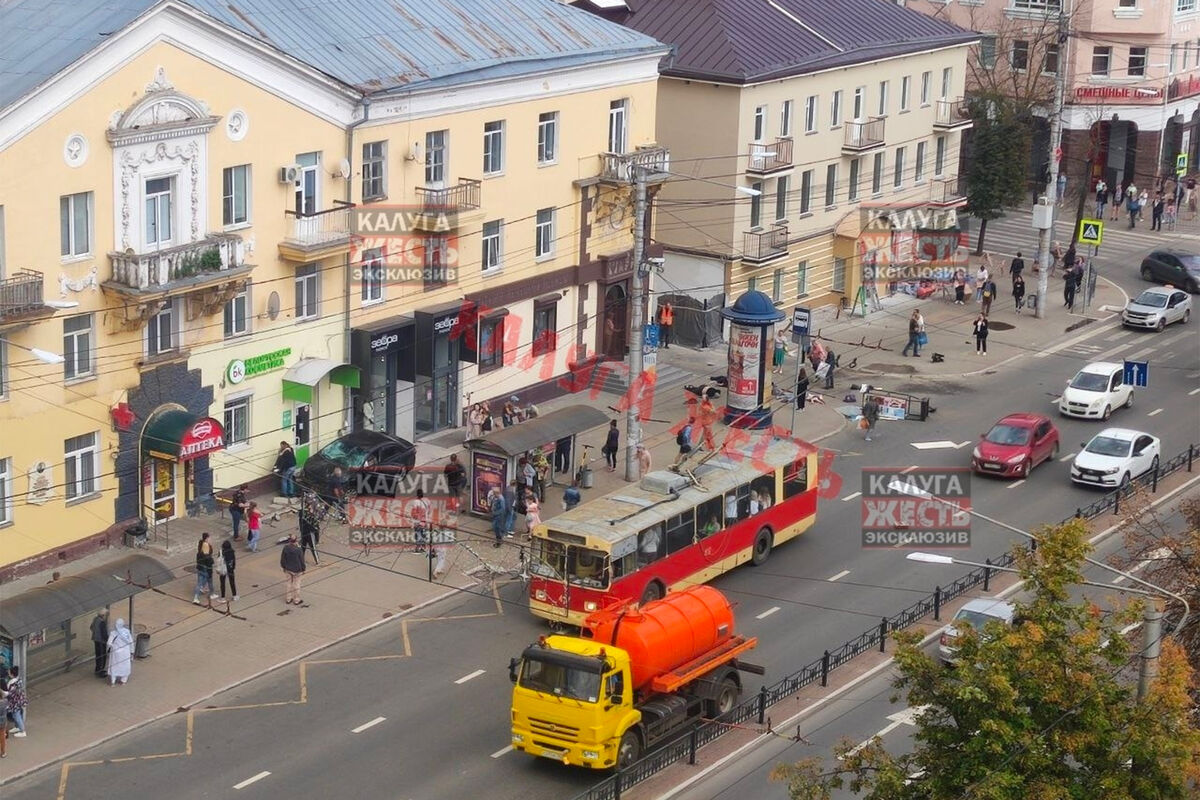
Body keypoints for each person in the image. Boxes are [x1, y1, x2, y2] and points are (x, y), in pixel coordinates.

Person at [106, 619, 134, 687]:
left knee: (114, 666)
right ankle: (123, 681)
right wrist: (132, 651)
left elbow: (109, 643)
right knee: (125, 665)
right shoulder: (127, 632)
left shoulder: (113, 633)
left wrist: (114, 647)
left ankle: (113, 682)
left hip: (116, 653)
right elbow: (131, 642)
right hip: (125, 652)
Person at [280, 535, 306, 606]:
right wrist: (303, 569)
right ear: (296, 541)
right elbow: (302, 560)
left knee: (289, 583)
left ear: (289, 541)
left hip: (288, 569)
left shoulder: (286, 548)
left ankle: (288, 599)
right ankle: (296, 600)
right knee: (296, 584)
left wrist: (284, 567)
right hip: (297, 570)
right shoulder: (298, 550)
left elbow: (283, 559)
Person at [193, 532, 215, 604]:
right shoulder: (206, 545)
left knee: (200, 582)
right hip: (205, 567)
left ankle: (196, 597)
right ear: (206, 538)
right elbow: (207, 558)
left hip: (200, 567)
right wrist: (211, 563)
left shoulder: (201, 544)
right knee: (209, 580)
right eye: (209, 538)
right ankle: (211, 593)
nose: (210, 539)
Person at [298, 496, 320, 566]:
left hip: (304, 532)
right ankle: (317, 561)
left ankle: (301, 560)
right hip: (309, 532)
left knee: (303, 547)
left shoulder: (302, 511)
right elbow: (314, 522)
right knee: (312, 547)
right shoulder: (308, 513)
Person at [6, 666, 27, 737]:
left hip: (15, 702)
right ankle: (17, 727)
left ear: (12, 674)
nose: (8, 673)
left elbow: (9, 693)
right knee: (15, 714)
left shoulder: (12, 683)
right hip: (18, 700)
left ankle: (22, 731)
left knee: (16, 715)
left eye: (9, 672)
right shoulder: (18, 680)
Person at [90, 611, 109, 678]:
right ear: (103, 615)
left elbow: (91, 627)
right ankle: (100, 671)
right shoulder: (102, 622)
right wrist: (108, 640)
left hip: (96, 640)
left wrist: (95, 633)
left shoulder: (95, 619)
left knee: (98, 655)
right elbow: (104, 634)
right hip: (101, 641)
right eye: (106, 615)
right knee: (102, 656)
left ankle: (97, 669)